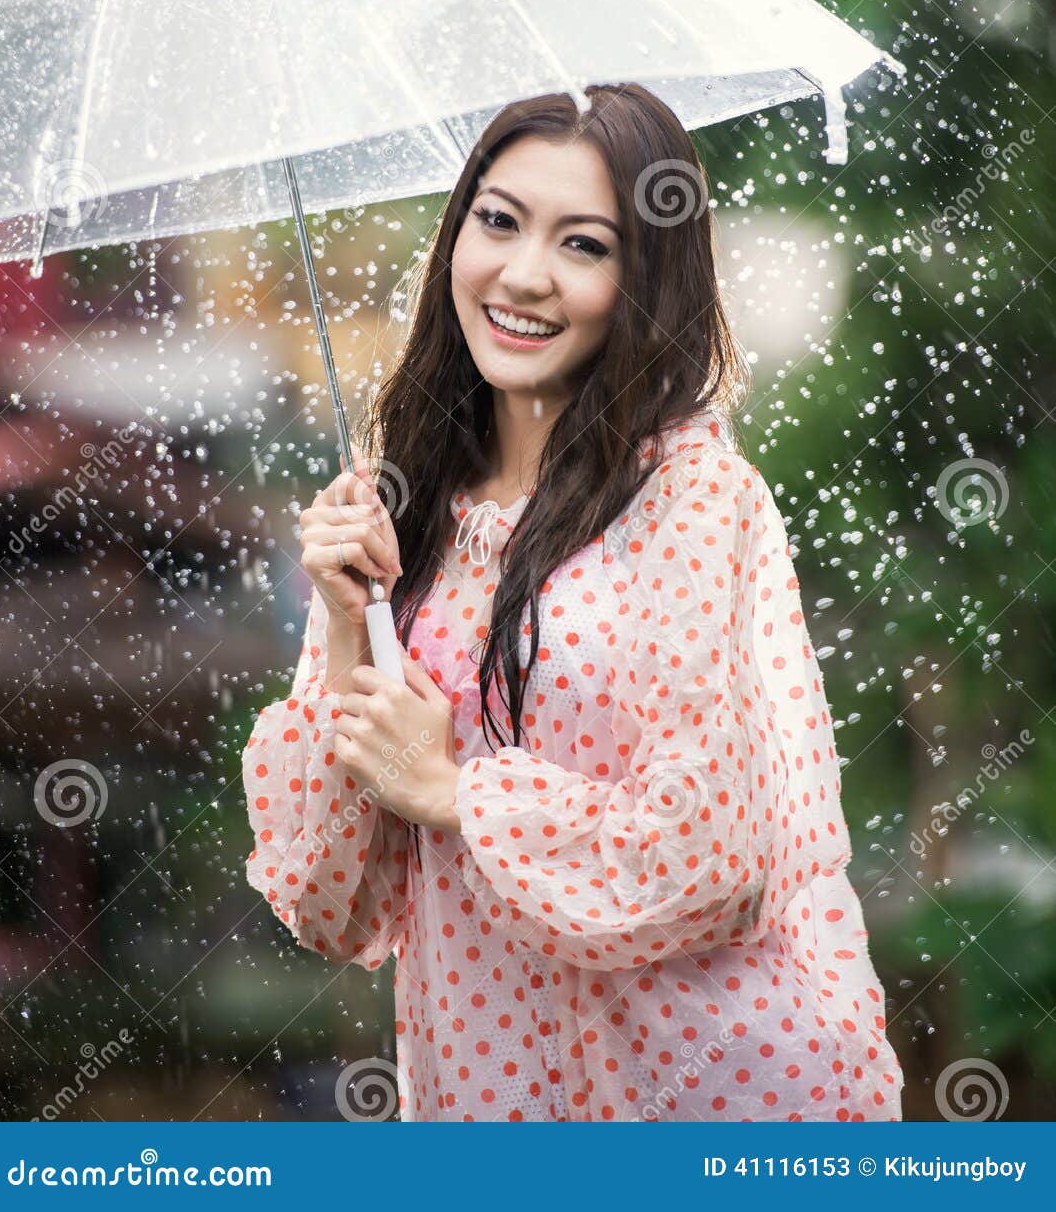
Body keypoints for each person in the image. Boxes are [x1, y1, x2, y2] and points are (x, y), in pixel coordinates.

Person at [242, 82, 904, 1122]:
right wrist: (343, 621)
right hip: (491, 1106)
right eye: (497, 221)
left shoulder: (690, 498)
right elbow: (336, 906)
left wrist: (456, 790)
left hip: (709, 1105)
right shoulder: (400, 507)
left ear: (648, 278)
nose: (524, 274)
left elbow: (711, 856)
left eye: (585, 245)